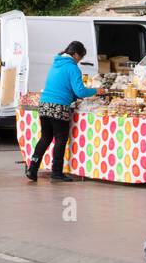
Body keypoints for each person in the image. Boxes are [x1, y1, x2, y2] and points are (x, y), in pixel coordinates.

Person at [26, 40, 98, 183]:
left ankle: (32, 168)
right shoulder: (72, 68)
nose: (79, 61)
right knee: (60, 139)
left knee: (45, 138)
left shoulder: (56, 64)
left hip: (44, 104)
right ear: (75, 54)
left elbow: (65, 87)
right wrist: (97, 90)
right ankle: (57, 172)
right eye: (80, 57)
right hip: (58, 106)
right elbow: (80, 91)